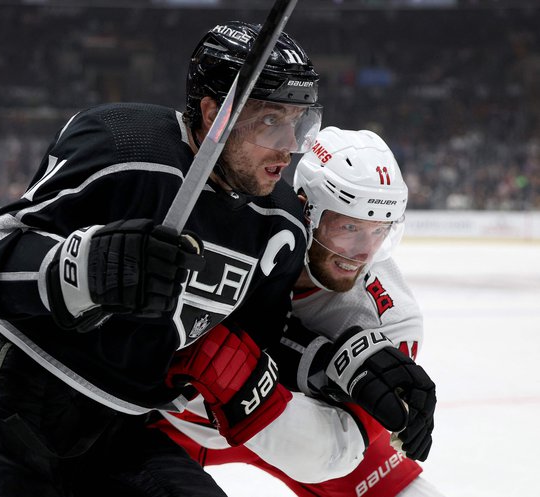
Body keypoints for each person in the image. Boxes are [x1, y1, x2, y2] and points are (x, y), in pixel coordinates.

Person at [0, 21, 325, 497]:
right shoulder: (123, 147)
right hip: (13, 388)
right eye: (270, 121)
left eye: (298, 122)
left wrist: (346, 364)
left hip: (124, 427)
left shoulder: (279, 225)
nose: (288, 145)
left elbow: (259, 343)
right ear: (215, 113)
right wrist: (87, 269)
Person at [154, 127, 444, 496]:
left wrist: (240, 376)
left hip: (288, 420)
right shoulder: (245, 220)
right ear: (307, 209)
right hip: (178, 418)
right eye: (350, 227)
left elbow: (336, 452)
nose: (363, 252)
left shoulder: (392, 319)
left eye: (379, 231)